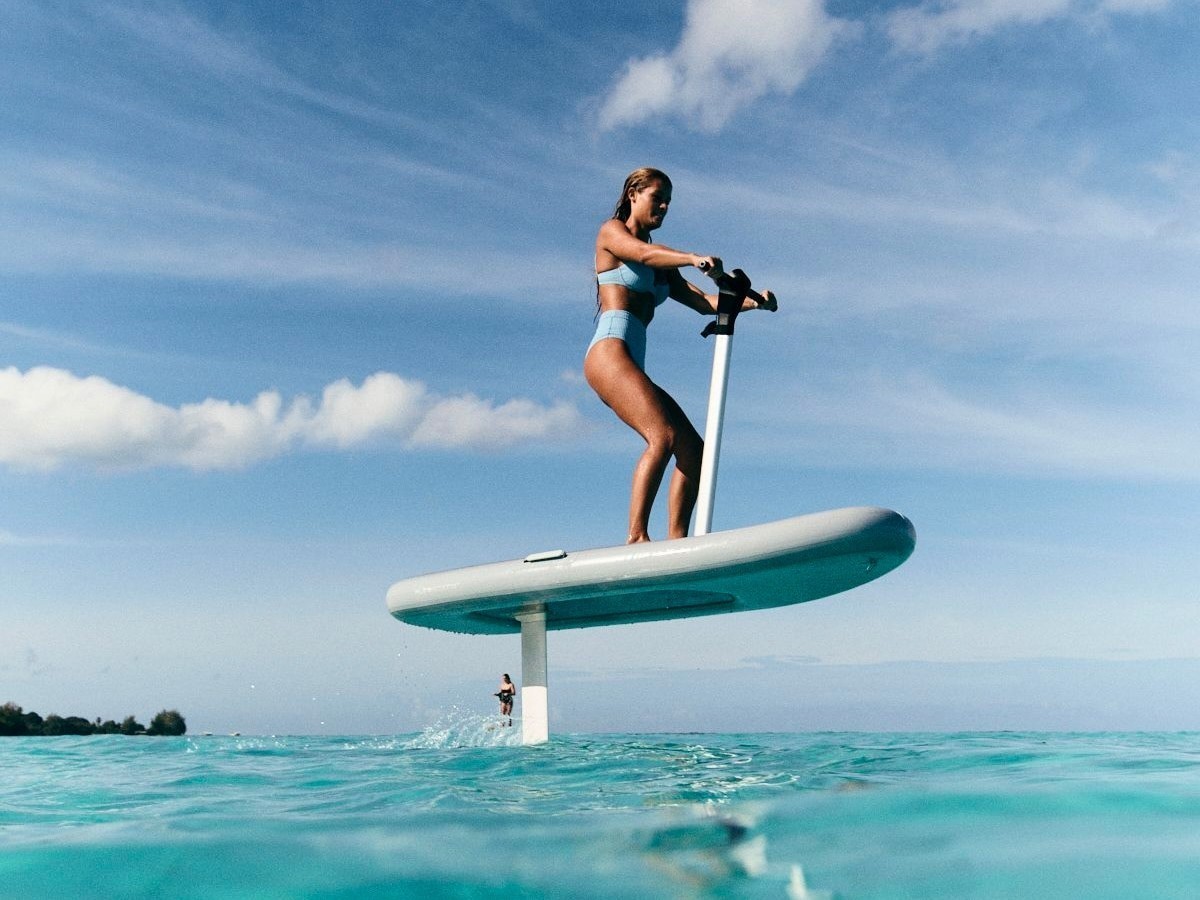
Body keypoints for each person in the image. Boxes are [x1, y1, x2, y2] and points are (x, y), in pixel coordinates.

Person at [585, 167, 776, 543]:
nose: (664, 206)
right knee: (662, 436)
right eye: (658, 198)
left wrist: (755, 304)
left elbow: (704, 303)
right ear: (634, 194)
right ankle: (637, 537)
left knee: (694, 451)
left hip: (631, 358)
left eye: (669, 201)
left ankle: (678, 543)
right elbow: (643, 253)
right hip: (609, 351)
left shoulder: (663, 266)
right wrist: (690, 258)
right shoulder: (612, 232)